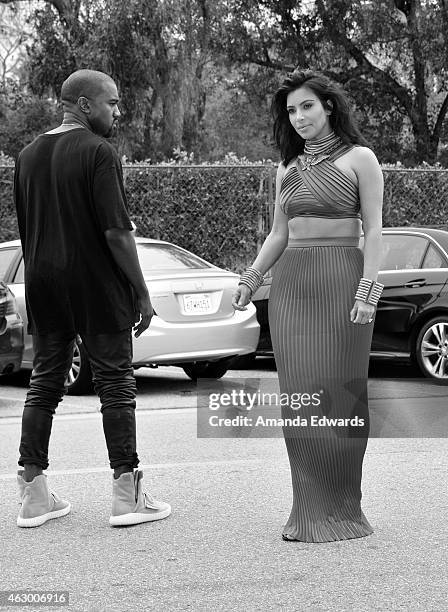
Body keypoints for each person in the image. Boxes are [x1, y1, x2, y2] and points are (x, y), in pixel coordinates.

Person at [14, 69, 171, 528]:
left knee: (44, 382)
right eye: (113, 103)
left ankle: (34, 495)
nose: (117, 111)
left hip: (43, 283)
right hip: (95, 285)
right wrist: (141, 293)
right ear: (85, 104)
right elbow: (117, 232)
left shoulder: (26, 155)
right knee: (116, 384)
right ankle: (128, 496)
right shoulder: (100, 152)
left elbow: (28, 231)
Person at [232, 69, 383, 542]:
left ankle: (343, 510)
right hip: (292, 289)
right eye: (291, 111)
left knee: (340, 393)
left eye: (307, 107)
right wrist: (252, 278)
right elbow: (279, 234)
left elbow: (374, 230)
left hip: (342, 281)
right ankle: (308, 511)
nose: (298, 118)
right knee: (299, 401)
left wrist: (368, 290)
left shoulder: (361, 160)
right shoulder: (286, 169)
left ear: (329, 106)